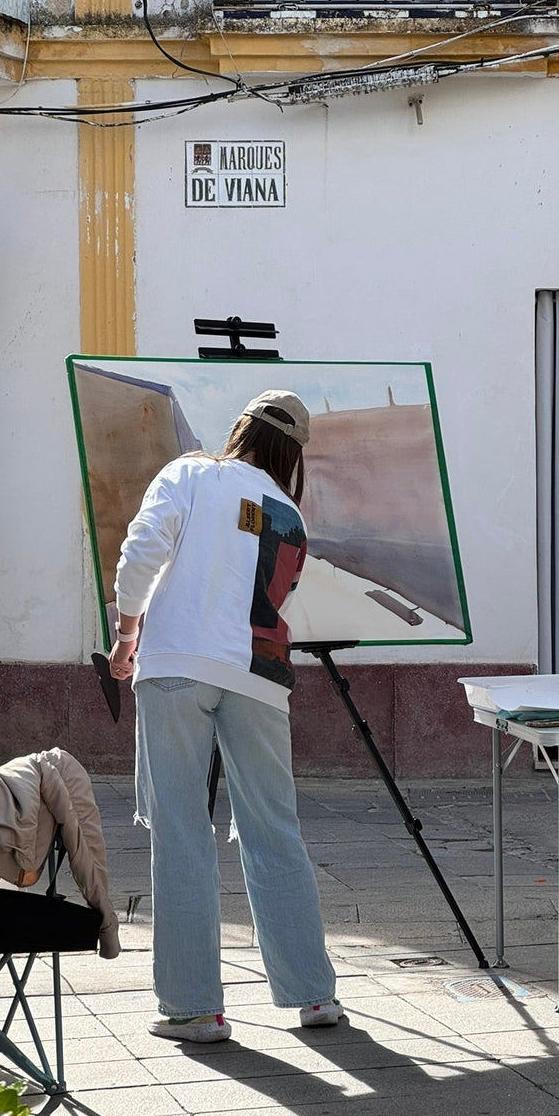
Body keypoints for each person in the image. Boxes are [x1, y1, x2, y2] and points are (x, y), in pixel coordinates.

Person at [108, 389, 341, 1043]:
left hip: (179, 664)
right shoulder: (291, 514)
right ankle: (313, 994)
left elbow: (140, 553)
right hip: (261, 678)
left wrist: (126, 636)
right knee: (274, 830)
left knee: (182, 831)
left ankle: (194, 1009)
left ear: (241, 428)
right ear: (292, 454)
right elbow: (278, 592)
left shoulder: (191, 473)